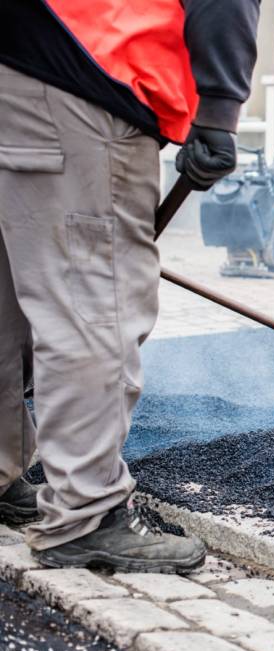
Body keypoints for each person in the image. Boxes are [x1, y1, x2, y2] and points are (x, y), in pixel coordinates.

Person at [0, 0, 260, 571]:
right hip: (82, 74)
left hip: (19, 65)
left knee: (10, 301)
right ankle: (85, 515)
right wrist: (220, 108)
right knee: (94, 301)